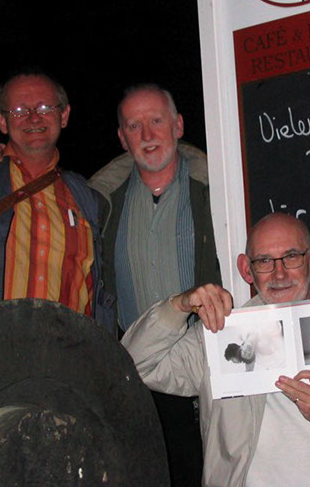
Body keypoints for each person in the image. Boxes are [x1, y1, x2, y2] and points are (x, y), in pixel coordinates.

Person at [123, 213, 310, 487]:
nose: (279, 274)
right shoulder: (219, 336)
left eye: (292, 256)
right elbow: (134, 365)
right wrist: (178, 306)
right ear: (247, 270)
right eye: (264, 261)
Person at [88, 84, 219, 486]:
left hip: (203, 364)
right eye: (134, 125)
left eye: (157, 121)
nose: (147, 135)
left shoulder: (217, 188)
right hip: (134, 369)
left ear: (178, 125)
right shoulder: (99, 201)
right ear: (122, 137)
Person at [0, 70, 113, 332]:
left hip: (69, 350)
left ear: (64, 116)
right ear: (1, 121)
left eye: (45, 108)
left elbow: (97, 288)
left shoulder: (85, 197)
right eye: (19, 110)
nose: (33, 117)